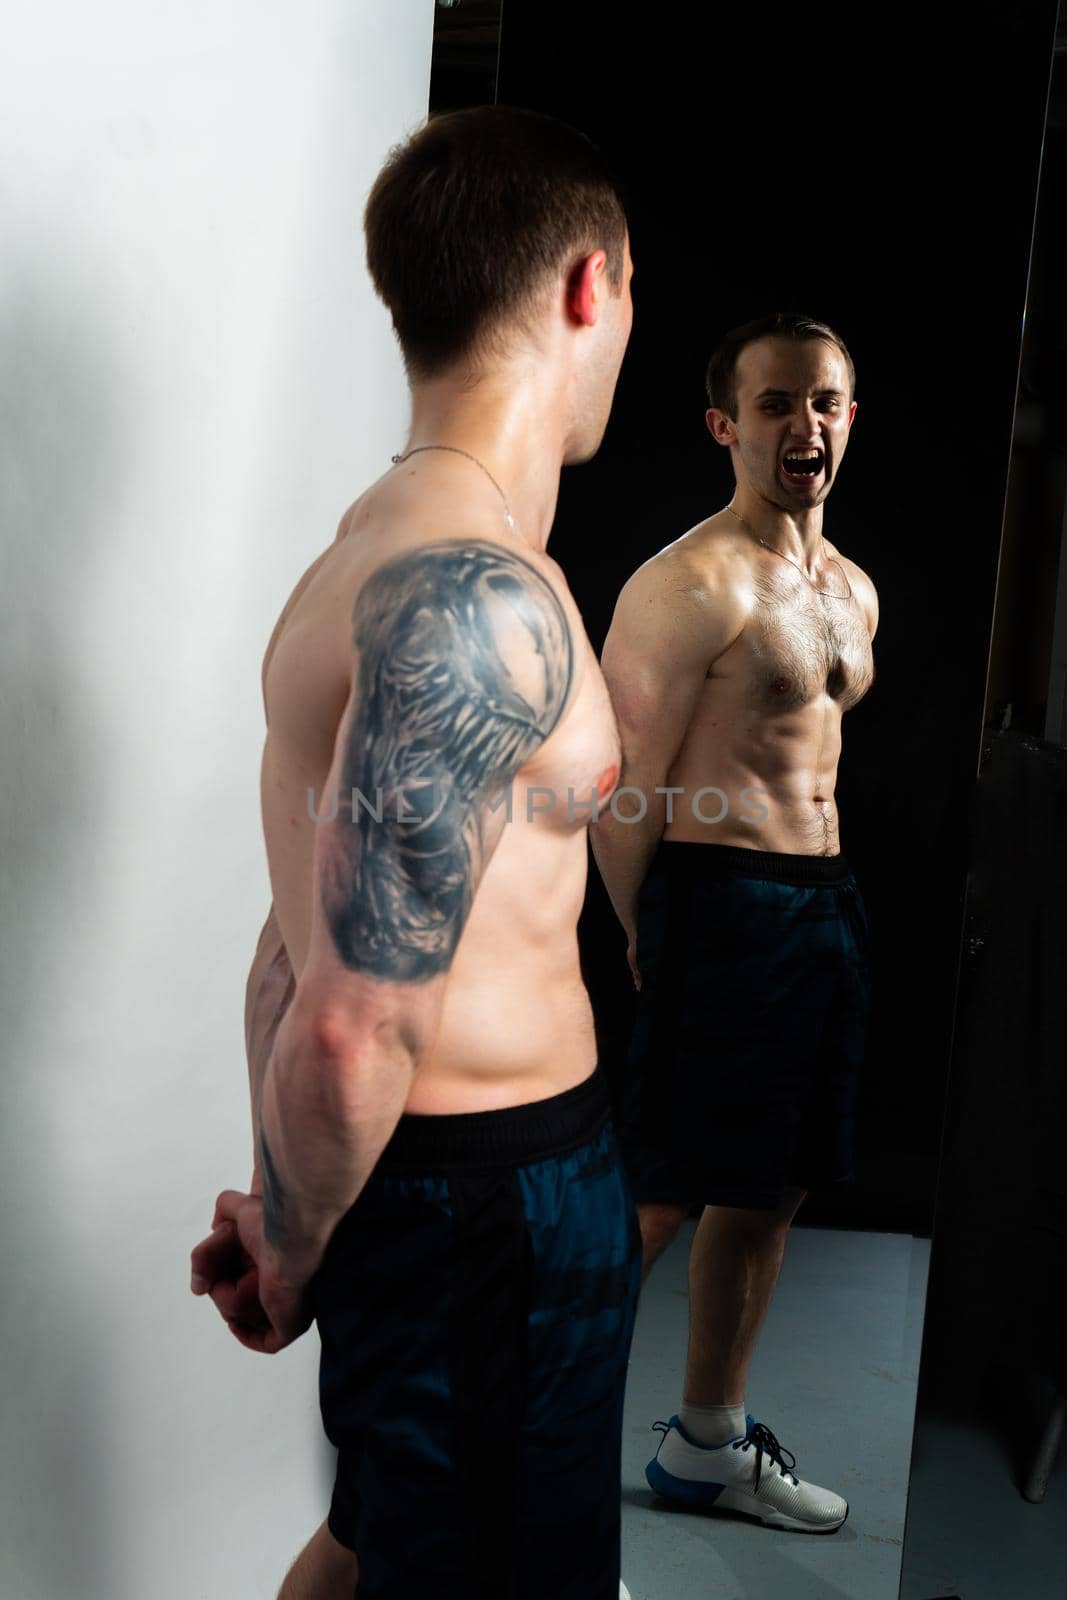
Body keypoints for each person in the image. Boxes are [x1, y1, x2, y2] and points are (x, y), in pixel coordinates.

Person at [189, 106, 640, 1600]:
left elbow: (293, 941)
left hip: (422, 1203)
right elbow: (350, 1009)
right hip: (489, 1220)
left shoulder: (360, 549)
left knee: (378, 1541)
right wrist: (300, 1246)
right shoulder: (473, 596)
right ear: (589, 285)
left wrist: (283, 1199)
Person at [591, 312, 877, 1534]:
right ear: (724, 425)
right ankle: (513, 1434)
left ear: (847, 417)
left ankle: (705, 1443)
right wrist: (640, 926)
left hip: (822, 903)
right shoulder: (686, 582)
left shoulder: (853, 587)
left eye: (822, 401)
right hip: (715, 900)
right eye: (774, 404)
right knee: (659, 1193)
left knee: (772, 1190)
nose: (801, 425)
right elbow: (620, 788)